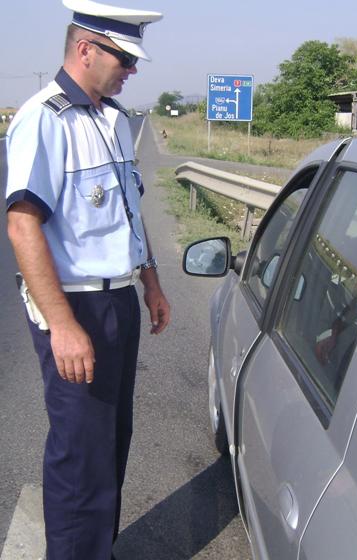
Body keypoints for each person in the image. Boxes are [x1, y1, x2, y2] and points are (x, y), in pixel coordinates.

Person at [5, 1, 170, 559]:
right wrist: (62, 325)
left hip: (119, 297)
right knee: (80, 455)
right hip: (76, 308)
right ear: (85, 49)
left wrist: (149, 280)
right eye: (124, 56)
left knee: (111, 444)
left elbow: (128, 206)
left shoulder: (115, 119)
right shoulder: (43, 118)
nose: (132, 68)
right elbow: (23, 224)